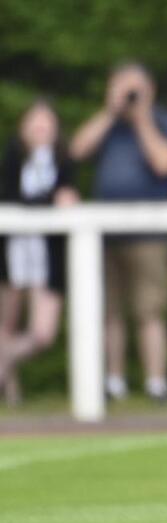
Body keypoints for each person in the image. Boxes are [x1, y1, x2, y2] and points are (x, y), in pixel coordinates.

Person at [70, 61, 167, 402]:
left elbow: (165, 163)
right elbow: (76, 150)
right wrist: (111, 112)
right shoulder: (107, 123)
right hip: (103, 233)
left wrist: (142, 119)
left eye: (136, 87)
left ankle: (156, 383)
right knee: (110, 313)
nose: (130, 94)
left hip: (149, 233)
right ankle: (113, 383)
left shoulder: (165, 122)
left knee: (150, 310)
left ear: (151, 89)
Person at [0, 99, 79, 403]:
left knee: (42, 334)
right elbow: (15, 198)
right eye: (34, 121)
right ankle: (11, 393)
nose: (40, 127)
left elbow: (66, 198)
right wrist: (50, 201)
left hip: (48, 257)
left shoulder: (64, 161)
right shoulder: (12, 158)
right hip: (13, 252)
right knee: (6, 323)